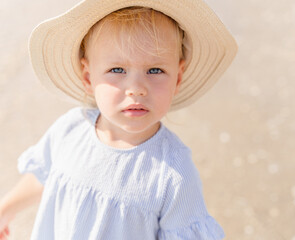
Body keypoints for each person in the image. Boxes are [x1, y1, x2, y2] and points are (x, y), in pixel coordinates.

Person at [0, 0, 237, 239]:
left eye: (155, 70)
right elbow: (44, 174)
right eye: (117, 70)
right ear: (88, 76)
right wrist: (5, 210)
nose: (136, 88)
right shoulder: (70, 128)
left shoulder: (174, 174)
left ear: (177, 77)